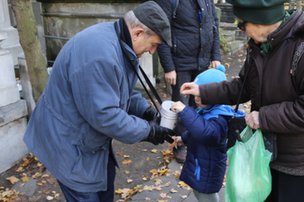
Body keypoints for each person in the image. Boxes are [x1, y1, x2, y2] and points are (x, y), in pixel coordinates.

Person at [180, 0, 304, 201]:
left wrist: (264, 117)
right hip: (265, 150)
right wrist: (203, 91)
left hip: (297, 157)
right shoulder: (260, 45)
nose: (243, 30)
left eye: (243, 24)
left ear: (261, 19)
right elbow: (244, 86)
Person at [23, 1, 176, 201]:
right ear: (138, 33)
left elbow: (121, 92)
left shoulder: (116, 40)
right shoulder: (100, 55)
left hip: (87, 141)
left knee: (105, 190)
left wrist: (147, 112)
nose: (152, 51)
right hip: (68, 144)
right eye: (153, 44)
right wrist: (149, 131)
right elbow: (106, 116)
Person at [154, 0, 222, 163]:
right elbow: (162, 32)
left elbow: (214, 26)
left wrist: (216, 56)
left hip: (203, 61)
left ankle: (195, 139)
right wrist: (169, 67)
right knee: (181, 105)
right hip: (180, 63)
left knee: (200, 103)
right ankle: (180, 144)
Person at [170, 65, 243, 202]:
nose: (196, 99)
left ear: (215, 94)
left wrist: (185, 111)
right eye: (195, 95)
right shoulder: (208, 110)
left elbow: (206, 133)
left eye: (200, 95)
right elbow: (196, 129)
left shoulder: (220, 117)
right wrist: (183, 138)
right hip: (201, 164)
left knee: (206, 197)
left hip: (208, 170)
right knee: (199, 193)